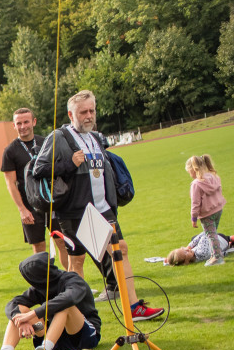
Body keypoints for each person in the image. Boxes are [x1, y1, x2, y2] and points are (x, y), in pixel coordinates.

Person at [32, 90, 162, 320]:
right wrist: (69, 165)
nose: (89, 116)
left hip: (103, 209)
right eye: (84, 112)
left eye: (92, 110)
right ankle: (82, 316)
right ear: (71, 114)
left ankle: (133, 308)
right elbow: (39, 169)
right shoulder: (59, 137)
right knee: (77, 261)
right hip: (75, 212)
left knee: (120, 249)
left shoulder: (95, 137)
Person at [0, 107, 69, 267]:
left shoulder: (46, 142)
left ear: (34, 122)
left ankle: (71, 282)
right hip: (30, 207)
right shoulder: (10, 151)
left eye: (26, 122)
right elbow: (10, 183)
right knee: (39, 248)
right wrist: (22, 209)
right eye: (19, 123)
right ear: (14, 126)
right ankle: (45, 288)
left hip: (52, 202)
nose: (23, 126)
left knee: (62, 242)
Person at [186, 154, 226, 266]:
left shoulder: (196, 184)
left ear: (193, 169)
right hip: (218, 209)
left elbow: (195, 203)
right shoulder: (213, 177)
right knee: (212, 234)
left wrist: (193, 218)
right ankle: (215, 255)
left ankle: (218, 258)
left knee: (211, 235)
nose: (189, 174)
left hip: (207, 214)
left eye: (189, 171)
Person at [165, 231, 233, 266]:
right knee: (228, 238)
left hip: (213, 244)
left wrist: (168, 261)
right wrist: (190, 246)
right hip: (221, 239)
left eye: (183, 249)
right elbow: (205, 233)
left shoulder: (192, 258)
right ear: (186, 261)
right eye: (185, 252)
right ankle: (230, 240)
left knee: (193, 238)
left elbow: (177, 262)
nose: (187, 249)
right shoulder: (201, 252)